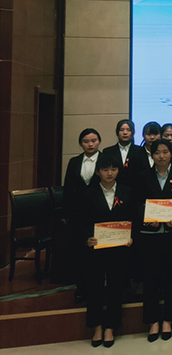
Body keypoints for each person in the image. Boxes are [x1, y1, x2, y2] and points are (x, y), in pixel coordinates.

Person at [135, 139, 172, 342]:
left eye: (165, 152)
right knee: (151, 279)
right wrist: (147, 220)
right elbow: (137, 203)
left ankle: (168, 319)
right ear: (152, 155)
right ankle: (152, 321)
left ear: (171, 153)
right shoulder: (143, 176)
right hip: (151, 235)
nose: (161, 156)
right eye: (157, 152)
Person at [79, 154, 134, 348]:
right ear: (97, 172)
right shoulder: (88, 193)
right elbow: (80, 222)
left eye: (113, 169)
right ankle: (96, 326)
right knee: (94, 287)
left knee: (115, 286)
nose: (110, 173)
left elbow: (133, 218)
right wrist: (86, 238)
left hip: (119, 247)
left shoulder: (127, 192)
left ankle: (111, 326)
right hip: (96, 247)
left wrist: (131, 237)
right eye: (105, 170)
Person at [63, 128, 103, 303]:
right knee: (80, 252)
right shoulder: (74, 161)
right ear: (81, 143)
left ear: (99, 142)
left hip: (100, 211)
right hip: (78, 213)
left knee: (98, 252)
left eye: (93, 141)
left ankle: (99, 288)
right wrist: (66, 212)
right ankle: (81, 288)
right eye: (86, 141)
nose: (90, 144)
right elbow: (68, 187)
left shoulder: (105, 160)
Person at [103, 119, 149, 189]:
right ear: (117, 132)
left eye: (128, 130)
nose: (125, 133)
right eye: (122, 130)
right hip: (114, 188)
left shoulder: (140, 150)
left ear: (133, 133)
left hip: (136, 188)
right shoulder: (108, 151)